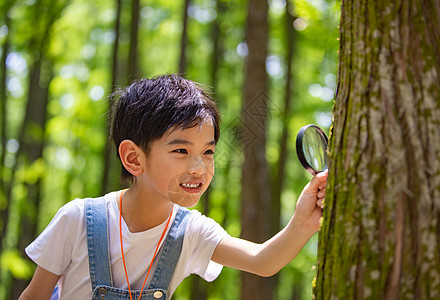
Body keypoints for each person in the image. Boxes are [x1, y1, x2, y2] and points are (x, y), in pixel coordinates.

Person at [19, 74, 328, 300]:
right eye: (181, 151)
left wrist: (303, 223)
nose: (200, 167)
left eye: (208, 152)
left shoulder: (191, 231)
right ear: (134, 159)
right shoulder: (78, 220)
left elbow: (262, 261)